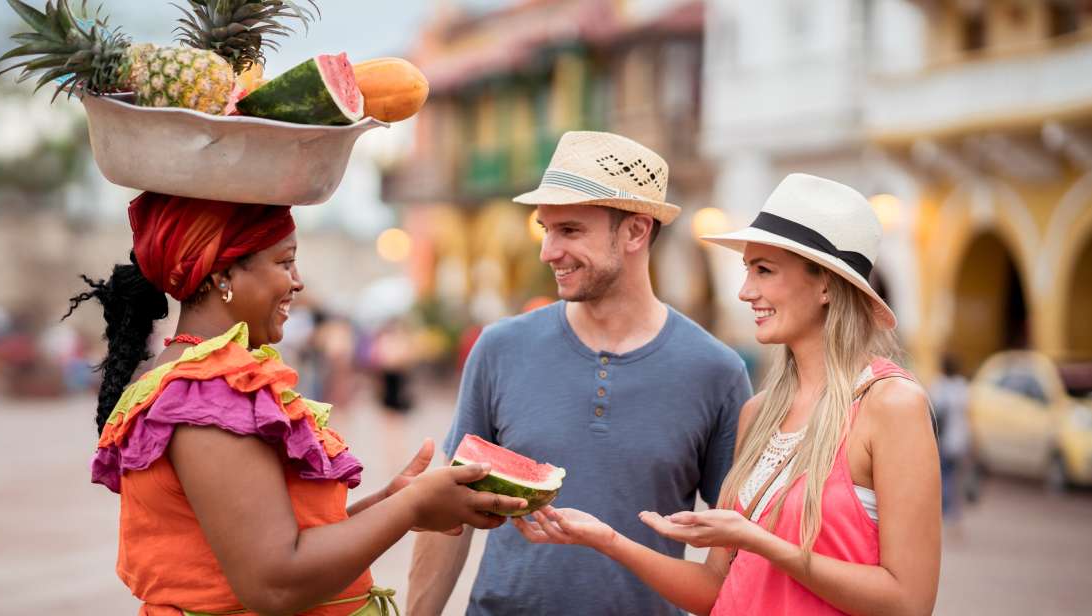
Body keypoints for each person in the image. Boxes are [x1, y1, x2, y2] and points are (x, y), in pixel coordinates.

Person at [69, 192, 527, 616]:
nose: (298, 282)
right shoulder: (208, 392)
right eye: (285, 262)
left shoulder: (199, 378)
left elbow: (279, 540)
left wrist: (392, 503)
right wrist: (410, 508)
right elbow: (274, 584)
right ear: (222, 275)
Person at [513, 173, 942, 615]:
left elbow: (908, 603)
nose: (745, 291)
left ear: (827, 284)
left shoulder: (890, 405)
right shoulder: (757, 414)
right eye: (747, 269)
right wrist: (606, 539)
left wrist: (761, 541)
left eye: (764, 270)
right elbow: (716, 588)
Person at [407, 132, 753, 616]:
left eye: (569, 230)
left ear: (635, 232)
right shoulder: (500, 348)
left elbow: (737, 549)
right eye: (544, 229)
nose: (548, 251)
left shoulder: (717, 371)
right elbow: (451, 513)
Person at [930, 354, 970, 519]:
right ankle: (954, 510)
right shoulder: (962, 386)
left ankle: (945, 511)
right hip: (960, 439)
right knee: (955, 476)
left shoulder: (939, 386)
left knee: (944, 475)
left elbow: (932, 410)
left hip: (944, 439)